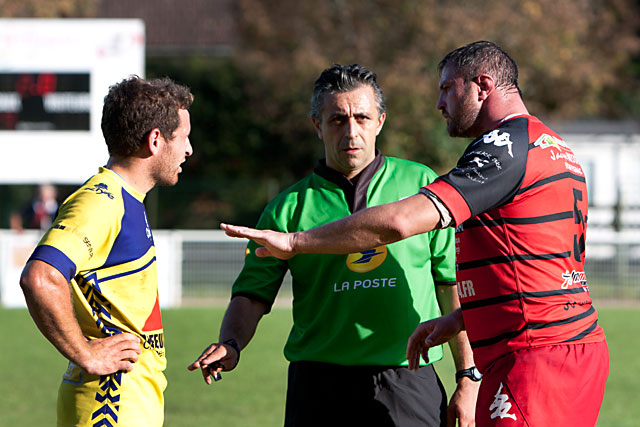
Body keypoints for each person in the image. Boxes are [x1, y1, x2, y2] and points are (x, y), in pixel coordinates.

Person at [219, 42, 609, 427]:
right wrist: (460, 318)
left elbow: (399, 223)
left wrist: (295, 242)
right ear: (318, 125)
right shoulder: (552, 145)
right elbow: (532, 263)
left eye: (446, 89)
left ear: (483, 85)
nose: (440, 104)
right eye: (337, 119)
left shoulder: (502, 148)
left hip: (531, 354)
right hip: (561, 343)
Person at [189, 64, 478, 426]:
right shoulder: (288, 208)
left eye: (362, 117)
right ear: (317, 126)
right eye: (338, 120)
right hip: (318, 386)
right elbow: (252, 295)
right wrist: (230, 343)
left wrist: (468, 377)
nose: (351, 132)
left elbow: (451, 286)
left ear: (380, 121)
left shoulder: (421, 188)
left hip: (408, 379)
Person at [20, 76, 193, 426]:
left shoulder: (125, 200)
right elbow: (41, 277)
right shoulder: (102, 202)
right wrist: (85, 353)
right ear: (156, 140)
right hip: (109, 408)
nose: (189, 149)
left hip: (127, 404)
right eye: (184, 137)